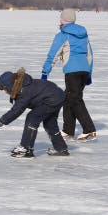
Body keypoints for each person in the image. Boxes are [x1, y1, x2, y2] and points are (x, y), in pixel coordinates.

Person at [42, 8, 97, 142]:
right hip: (83, 71)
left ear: (63, 20)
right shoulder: (84, 35)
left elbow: (53, 54)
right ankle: (68, 131)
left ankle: (89, 130)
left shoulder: (62, 35)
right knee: (69, 99)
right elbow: (90, 55)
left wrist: (45, 72)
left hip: (72, 72)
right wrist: (88, 74)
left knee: (75, 100)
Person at [0, 68, 69, 158]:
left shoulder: (24, 90)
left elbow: (17, 110)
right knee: (49, 123)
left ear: (10, 85)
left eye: (4, 89)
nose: (5, 92)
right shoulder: (22, 86)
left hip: (52, 99)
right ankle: (61, 148)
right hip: (56, 96)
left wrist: (2, 120)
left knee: (32, 118)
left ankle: (26, 148)